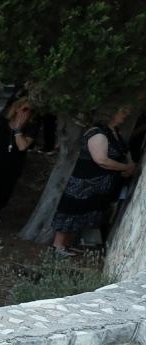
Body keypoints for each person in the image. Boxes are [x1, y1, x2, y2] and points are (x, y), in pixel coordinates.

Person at [51, 105, 136, 255]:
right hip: (84, 182)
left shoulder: (114, 132)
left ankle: (68, 244)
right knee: (72, 211)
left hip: (99, 185)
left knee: (84, 212)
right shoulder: (98, 133)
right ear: (110, 113)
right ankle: (58, 247)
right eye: (122, 111)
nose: (125, 115)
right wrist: (124, 167)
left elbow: (122, 151)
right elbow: (101, 159)